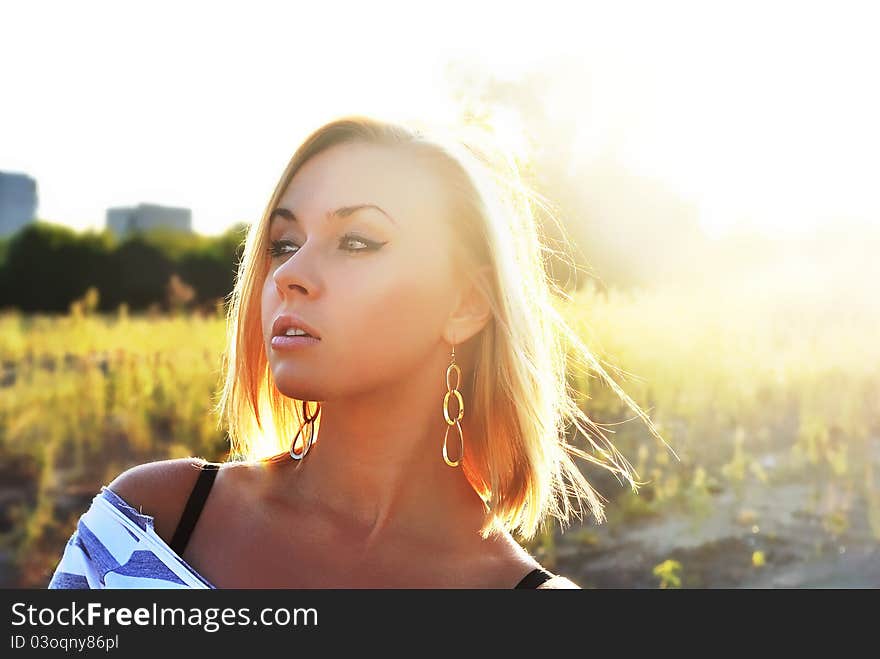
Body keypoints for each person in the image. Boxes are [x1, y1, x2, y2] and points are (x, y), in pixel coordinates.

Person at [49, 115, 662, 589]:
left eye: (358, 241)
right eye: (284, 242)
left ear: (466, 304)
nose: (291, 274)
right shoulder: (153, 523)